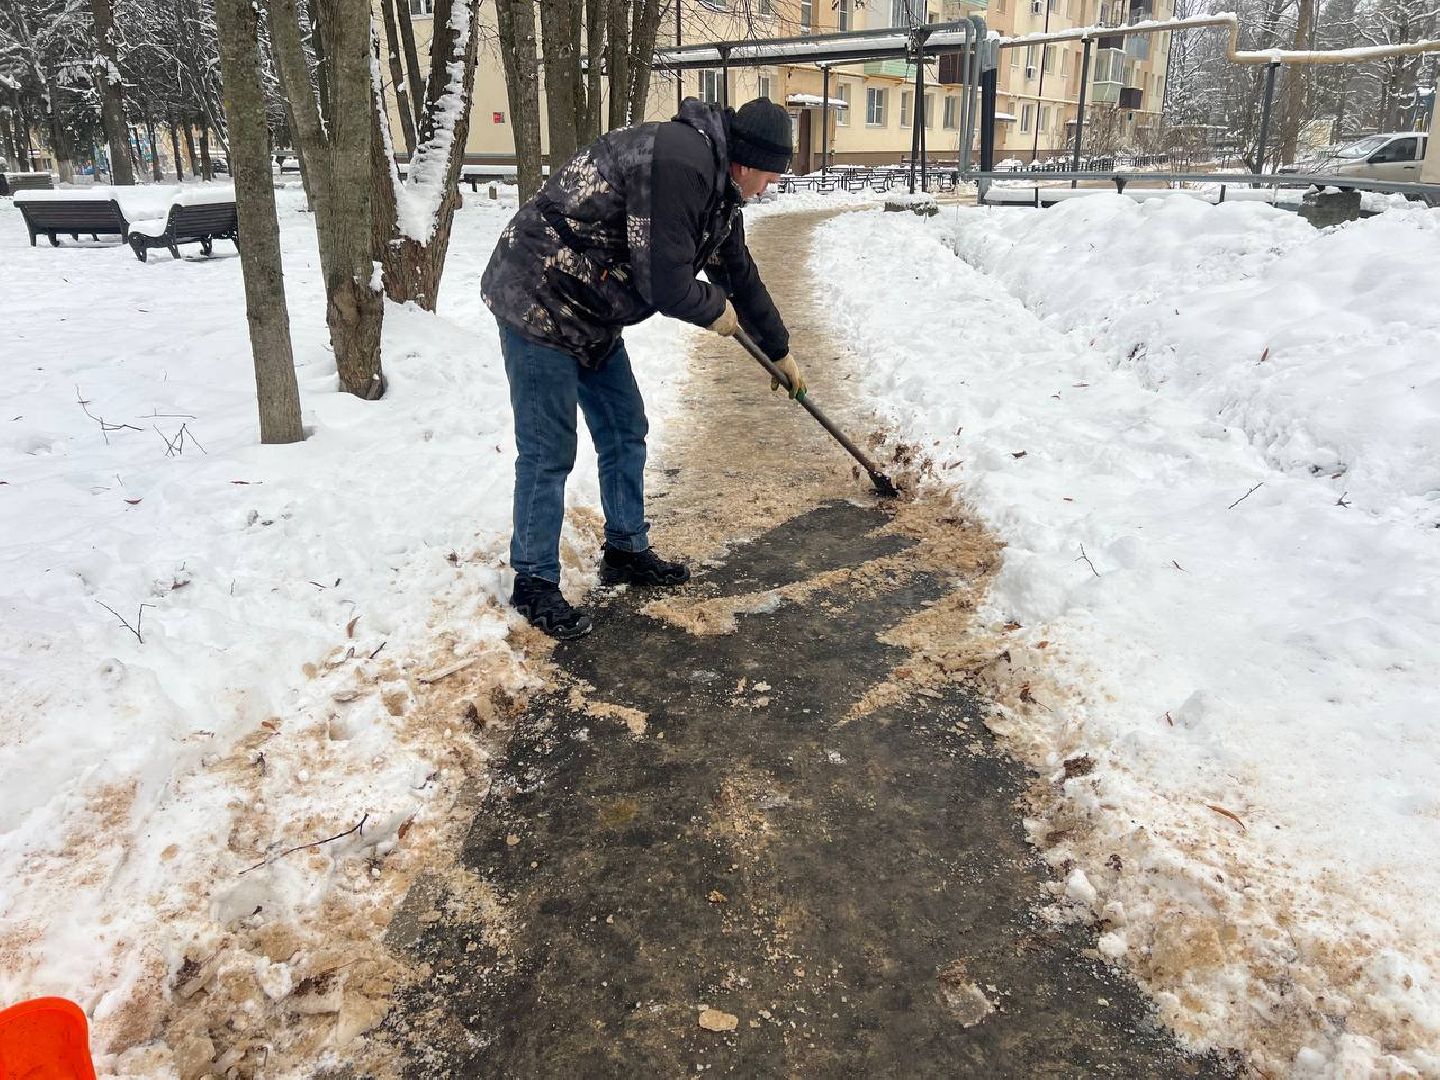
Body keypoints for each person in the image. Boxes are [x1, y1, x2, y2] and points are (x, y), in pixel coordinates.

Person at [482, 96, 807, 640]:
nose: (769, 187)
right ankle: (534, 581)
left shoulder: (719, 188)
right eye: (770, 176)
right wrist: (714, 309)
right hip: (538, 295)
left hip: (592, 308)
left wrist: (778, 350)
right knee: (548, 449)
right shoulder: (680, 163)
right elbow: (666, 284)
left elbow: (738, 271)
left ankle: (626, 550)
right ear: (747, 162)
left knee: (624, 427)